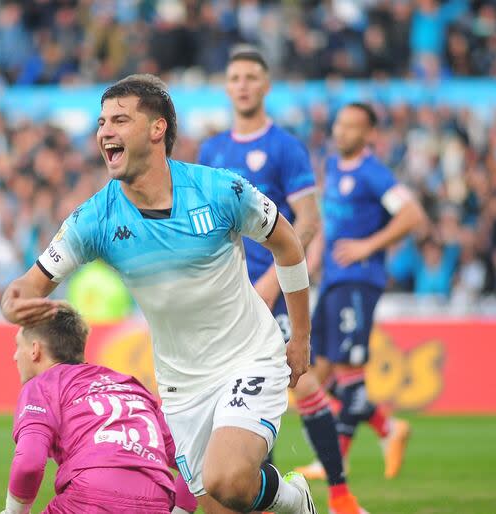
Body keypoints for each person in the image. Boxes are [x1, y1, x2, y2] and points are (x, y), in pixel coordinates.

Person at [3, 74, 317, 514]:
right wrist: (13, 300)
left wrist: (299, 336)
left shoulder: (220, 190)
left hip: (249, 357)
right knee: (227, 501)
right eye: (101, 122)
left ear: (157, 130)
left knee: (227, 478)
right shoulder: (95, 219)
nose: (105, 131)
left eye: (120, 120)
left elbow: (287, 243)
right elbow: (30, 283)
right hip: (181, 386)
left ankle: (293, 498)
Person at [199, 49, 366, 514]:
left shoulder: (285, 147)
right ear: (227, 87)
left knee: (304, 381)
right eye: (235, 77)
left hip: (272, 291)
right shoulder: (212, 151)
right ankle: (262, 494)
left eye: (252, 76)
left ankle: (339, 494)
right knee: (229, 393)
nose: (244, 84)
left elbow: (307, 221)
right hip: (226, 298)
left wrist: (273, 280)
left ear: (266, 85)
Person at [302, 103, 425, 481]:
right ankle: (388, 428)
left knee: (348, 370)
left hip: (358, 280)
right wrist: (311, 262)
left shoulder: (374, 174)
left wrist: (368, 246)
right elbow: (328, 222)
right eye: (339, 124)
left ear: (369, 134)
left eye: (352, 127)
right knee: (317, 372)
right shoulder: (335, 166)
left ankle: (334, 462)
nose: (341, 132)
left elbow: (412, 215)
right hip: (333, 281)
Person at [0, 304, 196, 514]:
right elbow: (193, 457)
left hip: (89, 497)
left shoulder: (42, 385)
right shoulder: (131, 386)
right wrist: (181, 510)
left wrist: (13, 512)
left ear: (34, 350)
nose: (14, 356)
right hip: (156, 501)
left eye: (17, 346)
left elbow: (29, 462)